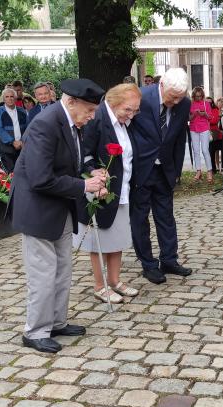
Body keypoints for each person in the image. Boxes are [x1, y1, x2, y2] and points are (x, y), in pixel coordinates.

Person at [7, 79, 106, 353]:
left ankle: (56, 322)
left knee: (63, 268)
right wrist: (83, 186)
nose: (92, 115)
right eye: (89, 109)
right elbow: (40, 178)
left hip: (60, 206)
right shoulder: (45, 124)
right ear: (71, 101)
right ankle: (35, 331)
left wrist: (90, 174)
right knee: (42, 273)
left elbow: (69, 164)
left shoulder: (73, 123)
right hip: (38, 209)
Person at [74, 83, 142, 304]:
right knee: (100, 240)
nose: (131, 115)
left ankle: (115, 281)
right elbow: (83, 155)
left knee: (118, 238)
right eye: (128, 110)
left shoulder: (123, 122)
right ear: (113, 103)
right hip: (100, 190)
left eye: (135, 110)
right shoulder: (97, 120)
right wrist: (94, 174)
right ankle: (100, 285)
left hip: (121, 190)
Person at [129, 68, 193, 285]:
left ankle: (169, 259)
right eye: (172, 96)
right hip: (141, 169)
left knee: (166, 217)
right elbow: (127, 131)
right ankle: (148, 264)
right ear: (162, 85)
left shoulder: (184, 103)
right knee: (140, 218)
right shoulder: (141, 97)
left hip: (165, 169)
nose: (175, 102)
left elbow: (179, 137)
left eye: (179, 97)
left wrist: (175, 170)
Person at [0, 88, 27, 172]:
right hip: (7, 148)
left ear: (15, 98)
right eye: (7, 97)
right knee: (11, 173)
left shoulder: (22, 110)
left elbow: (28, 127)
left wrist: (22, 141)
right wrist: (12, 142)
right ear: (4, 99)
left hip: (22, 146)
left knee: (24, 171)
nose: (9, 98)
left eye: (12, 96)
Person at [189, 87, 214, 183]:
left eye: (200, 96)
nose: (198, 98)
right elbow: (189, 118)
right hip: (193, 128)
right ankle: (198, 171)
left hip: (204, 128)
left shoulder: (206, 104)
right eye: (196, 96)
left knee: (204, 150)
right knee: (196, 150)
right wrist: (194, 114)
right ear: (194, 96)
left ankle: (209, 171)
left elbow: (210, 117)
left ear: (202, 96)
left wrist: (204, 114)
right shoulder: (191, 104)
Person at [208, 96, 223, 174]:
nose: (209, 104)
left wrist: (206, 118)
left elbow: (214, 120)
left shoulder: (215, 110)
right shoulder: (205, 110)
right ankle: (213, 169)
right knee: (211, 152)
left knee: (222, 151)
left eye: (210, 102)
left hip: (217, 133)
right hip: (209, 134)